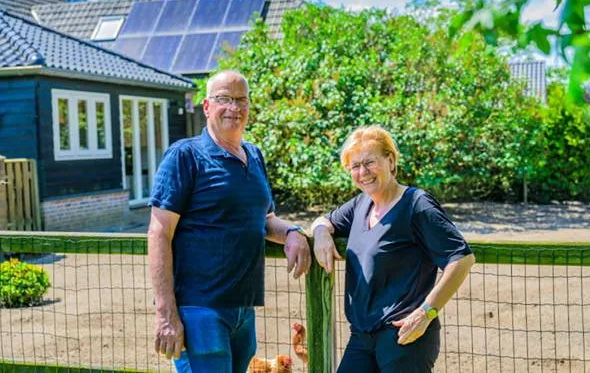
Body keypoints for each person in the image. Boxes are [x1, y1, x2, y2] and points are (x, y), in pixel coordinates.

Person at [147, 70, 311, 373]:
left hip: (243, 310)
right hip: (200, 310)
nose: (234, 108)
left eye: (241, 100)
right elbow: (159, 232)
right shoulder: (185, 156)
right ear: (207, 106)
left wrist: (293, 232)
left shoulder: (254, 155)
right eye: (224, 99)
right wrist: (166, 313)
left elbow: (264, 220)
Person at [311, 125, 475, 373]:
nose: (363, 172)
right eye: (355, 166)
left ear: (390, 161)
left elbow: (462, 259)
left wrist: (426, 312)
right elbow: (324, 220)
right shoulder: (361, 205)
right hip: (362, 336)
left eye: (370, 162)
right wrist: (321, 233)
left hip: (404, 336)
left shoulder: (417, 205)